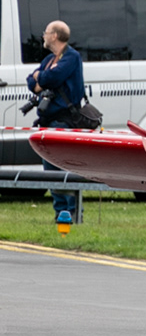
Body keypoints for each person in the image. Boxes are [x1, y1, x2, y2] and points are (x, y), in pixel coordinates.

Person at [26, 19, 85, 224]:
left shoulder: (72, 57)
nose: (43, 35)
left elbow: (53, 78)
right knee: (50, 170)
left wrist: (40, 78)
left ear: (55, 35)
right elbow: (31, 82)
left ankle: (73, 213)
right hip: (47, 123)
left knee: (65, 168)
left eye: (46, 32)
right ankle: (60, 213)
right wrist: (40, 78)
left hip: (63, 122)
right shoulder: (49, 59)